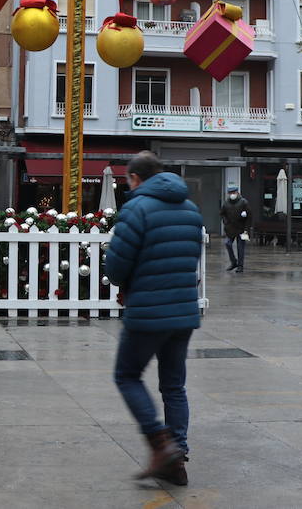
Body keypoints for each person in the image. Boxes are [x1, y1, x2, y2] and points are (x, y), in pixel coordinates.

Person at [105, 151, 204, 487]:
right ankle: (178, 456)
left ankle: (160, 445)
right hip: (184, 310)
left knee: (127, 375)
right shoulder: (191, 210)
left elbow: (117, 268)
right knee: (174, 385)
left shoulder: (136, 209)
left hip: (148, 310)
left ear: (134, 178)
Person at [219, 185, 252, 273]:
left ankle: (240, 266)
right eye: (230, 193)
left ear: (237, 193)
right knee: (228, 244)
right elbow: (222, 213)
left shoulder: (243, 202)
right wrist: (225, 221)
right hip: (230, 228)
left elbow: (249, 216)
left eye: (233, 193)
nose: (232, 194)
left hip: (241, 228)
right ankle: (234, 262)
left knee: (240, 248)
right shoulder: (226, 203)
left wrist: (246, 229)